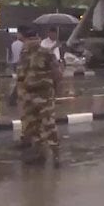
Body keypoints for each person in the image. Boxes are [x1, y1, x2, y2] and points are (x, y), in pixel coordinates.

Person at [16, 26, 62, 166]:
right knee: (41, 125)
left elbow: (20, 75)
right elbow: (57, 74)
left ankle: (49, 155)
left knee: (40, 125)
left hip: (36, 96)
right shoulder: (34, 52)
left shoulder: (33, 52)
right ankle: (48, 155)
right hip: (39, 95)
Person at [8, 27, 26, 107]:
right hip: (21, 63)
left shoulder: (13, 44)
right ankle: (13, 99)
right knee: (21, 82)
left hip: (15, 63)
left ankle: (13, 99)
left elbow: (11, 54)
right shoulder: (23, 44)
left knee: (19, 81)